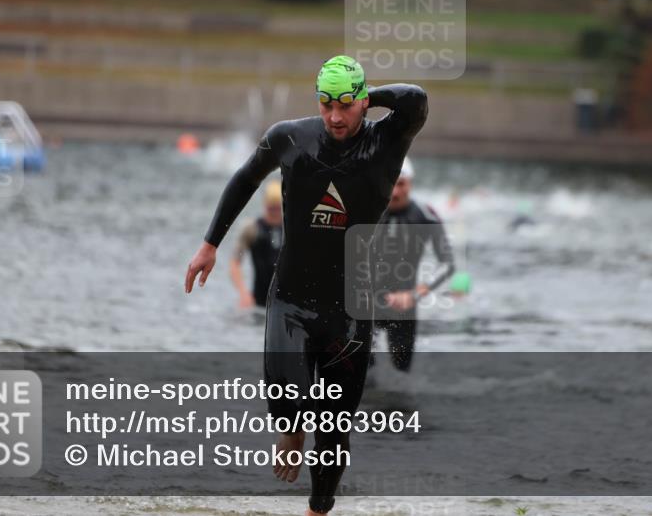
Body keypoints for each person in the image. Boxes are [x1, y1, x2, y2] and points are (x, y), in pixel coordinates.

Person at [184, 55, 428, 516]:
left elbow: (415, 99)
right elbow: (244, 180)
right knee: (285, 396)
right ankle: (292, 427)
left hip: (351, 307)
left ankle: (318, 510)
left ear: (362, 103)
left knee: (336, 428)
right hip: (292, 297)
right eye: (325, 104)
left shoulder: (388, 140)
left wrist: (364, 97)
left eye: (345, 106)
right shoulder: (290, 137)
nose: (334, 117)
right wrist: (210, 244)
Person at [372, 157, 455, 372]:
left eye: (401, 184)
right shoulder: (366, 211)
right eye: (391, 184)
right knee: (360, 377)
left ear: (411, 183)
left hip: (405, 305)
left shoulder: (425, 217)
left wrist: (414, 295)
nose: (396, 192)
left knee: (401, 377)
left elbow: (447, 264)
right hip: (364, 304)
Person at [230, 180, 283, 308]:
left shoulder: (292, 230)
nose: (275, 213)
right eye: (271, 208)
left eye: (278, 208)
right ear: (265, 205)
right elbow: (235, 263)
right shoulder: (251, 229)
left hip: (285, 302)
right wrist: (243, 293)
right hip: (258, 300)